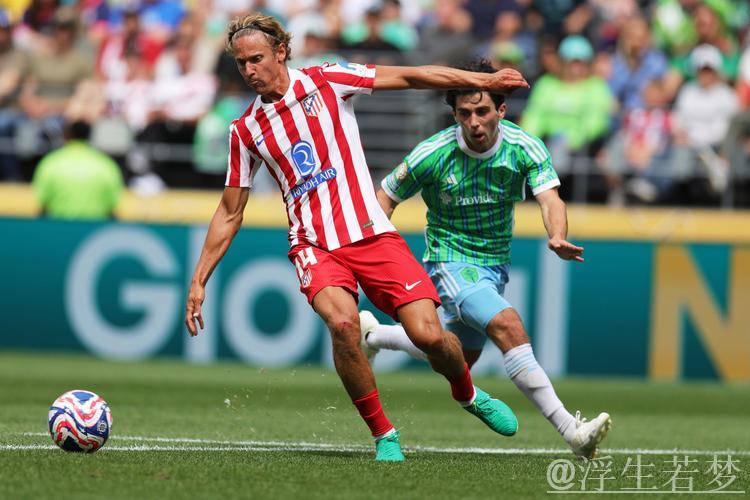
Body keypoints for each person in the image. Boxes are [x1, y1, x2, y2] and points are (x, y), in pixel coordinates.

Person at [184, 13, 530, 462]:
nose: (249, 70)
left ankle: (467, 393)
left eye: (256, 59)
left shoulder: (327, 80)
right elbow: (230, 212)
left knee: (429, 336)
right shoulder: (245, 130)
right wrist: (199, 279)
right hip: (313, 244)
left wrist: (483, 80)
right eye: (241, 63)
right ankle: (384, 435)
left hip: (370, 233)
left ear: (281, 52)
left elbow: (411, 75)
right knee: (344, 325)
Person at [360, 59, 611, 459]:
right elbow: (384, 198)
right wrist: (373, 253)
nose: (474, 122)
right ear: (454, 115)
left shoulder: (524, 147)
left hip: (494, 265)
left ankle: (373, 336)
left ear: (501, 110)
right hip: (449, 260)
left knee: (454, 354)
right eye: (464, 113)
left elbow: (550, 198)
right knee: (508, 325)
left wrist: (557, 235)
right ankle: (572, 431)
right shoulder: (432, 153)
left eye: (482, 111)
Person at [32, 120, 124, 219]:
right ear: (90, 136)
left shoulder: (50, 163)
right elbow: (114, 205)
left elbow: (40, 203)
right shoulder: (107, 164)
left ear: (66, 135)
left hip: (59, 226)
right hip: (96, 226)